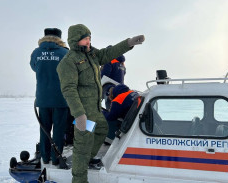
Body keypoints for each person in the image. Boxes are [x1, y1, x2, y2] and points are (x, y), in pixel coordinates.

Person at [56, 24, 144, 183]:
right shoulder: (68, 62)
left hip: (95, 108)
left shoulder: (92, 54)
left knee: (103, 129)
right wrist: (79, 114)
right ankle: (79, 179)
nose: (89, 41)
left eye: (89, 38)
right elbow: (68, 90)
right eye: (85, 39)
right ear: (76, 40)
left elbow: (108, 53)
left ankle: (88, 158)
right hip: (83, 111)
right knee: (82, 146)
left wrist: (128, 43)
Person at [30, 28, 69, 165]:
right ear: (59, 38)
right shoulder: (65, 53)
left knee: (44, 129)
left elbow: (34, 67)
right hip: (61, 99)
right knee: (58, 130)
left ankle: (45, 157)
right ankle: (56, 158)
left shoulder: (36, 52)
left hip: (43, 98)